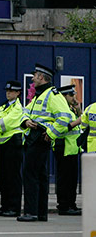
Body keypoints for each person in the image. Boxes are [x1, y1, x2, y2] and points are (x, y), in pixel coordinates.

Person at [17, 63, 72, 222]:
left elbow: (65, 117)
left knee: (30, 175)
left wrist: (50, 133)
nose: (33, 78)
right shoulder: (39, 95)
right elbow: (25, 112)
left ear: (41, 77)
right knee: (40, 176)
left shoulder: (51, 94)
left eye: (35, 75)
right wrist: (26, 120)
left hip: (39, 139)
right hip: (34, 138)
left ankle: (30, 212)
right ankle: (40, 213)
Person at [0, 80, 25, 218]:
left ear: (18, 93)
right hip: (3, 144)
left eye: (11, 91)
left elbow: (5, 123)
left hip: (13, 145)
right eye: (7, 91)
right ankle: (4, 206)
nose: (8, 93)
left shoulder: (17, 108)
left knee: (13, 177)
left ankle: (14, 207)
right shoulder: (4, 107)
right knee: (3, 177)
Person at [53, 84, 82, 216]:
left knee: (71, 179)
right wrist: (77, 121)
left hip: (72, 149)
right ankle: (64, 206)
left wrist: (78, 109)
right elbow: (63, 127)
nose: (73, 97)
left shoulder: (71, 109)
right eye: (71, 95)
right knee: (64, 179)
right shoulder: (61, 110)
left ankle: (72, 204)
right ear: (63, 96)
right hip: (63, 147)